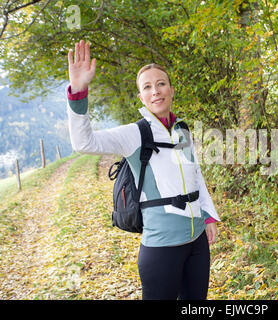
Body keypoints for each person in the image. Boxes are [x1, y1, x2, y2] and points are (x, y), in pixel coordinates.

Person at [66, 39, 220, 300]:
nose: (155, 91)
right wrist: (79, 93)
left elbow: (195, 175)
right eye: (147, 87)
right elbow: (84, 143)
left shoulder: (182, 128)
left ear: (171, 90)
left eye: (160, 84)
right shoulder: (134, 133)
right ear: (141, 97)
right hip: (161, 247)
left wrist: (208, 214)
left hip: (197, 243)